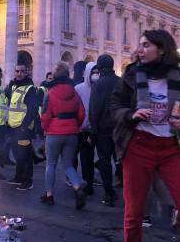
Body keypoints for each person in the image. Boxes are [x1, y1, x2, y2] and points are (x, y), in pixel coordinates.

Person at [111, 29, 180, 242]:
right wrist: (131, 114)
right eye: (141, 45)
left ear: (162, 49)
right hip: (138, 146)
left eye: (146, 45)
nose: (140, 50)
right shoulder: (131, 74)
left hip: (171, 148)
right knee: (134, 214)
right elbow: (115, 107)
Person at [40, 62, 87, 208]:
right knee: (68, 164)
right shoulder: (74, 92)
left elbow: (45, 114)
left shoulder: (50, 93)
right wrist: (75, 125)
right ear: (68, 75)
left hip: (54, 131)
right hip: (72, 132)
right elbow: (82, 113)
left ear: (54, 76)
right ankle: (78, 188)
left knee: (51, 164)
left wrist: (45, 128)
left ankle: (49, 195)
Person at [89, 54, 120, 207]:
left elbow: (94, 109)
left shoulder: (98, 84)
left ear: (99, 67)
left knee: (104, 160)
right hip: (120, 127)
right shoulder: (121, 82)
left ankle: (109, 193)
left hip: (103, 129)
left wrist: (93, 130)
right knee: (120, 159)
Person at [6, 64, 38, 191]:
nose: (19, 73)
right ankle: (18, 177)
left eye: (22, 71)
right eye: (17, 71)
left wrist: (24, 126)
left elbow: (32, 109)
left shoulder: (30, 89)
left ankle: (27, 181)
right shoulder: (13, 87)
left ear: (27, 73)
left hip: (23, 129)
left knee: (25, 155)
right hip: (13, 127)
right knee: (17, 154)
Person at [74, 61, 98, 196]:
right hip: (80, 128)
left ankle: (88, 182)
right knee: (80, 156)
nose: (96, 75)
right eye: (93, 72)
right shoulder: (78, 88)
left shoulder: (99, 87)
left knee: (89, 158)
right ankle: (81, 181)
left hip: (93, 129)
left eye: (97, 72)